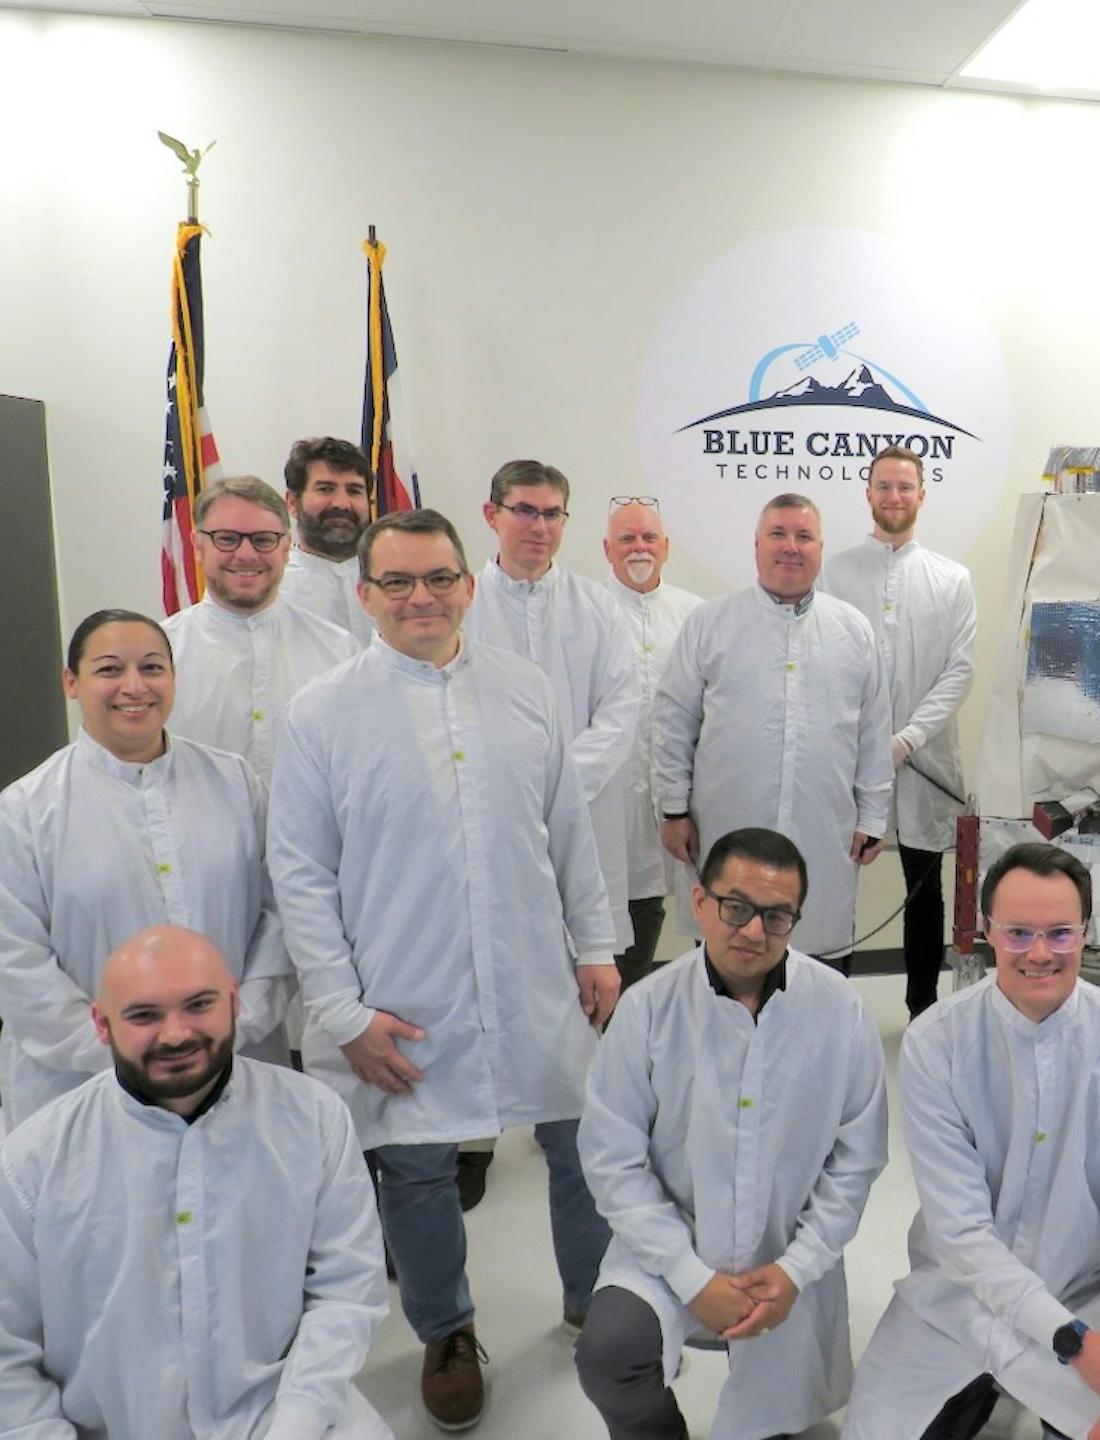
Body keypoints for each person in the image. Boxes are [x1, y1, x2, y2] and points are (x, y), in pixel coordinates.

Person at [267, 509, 619, 1432]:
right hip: (401, 985)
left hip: (535, 967)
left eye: (437, 578)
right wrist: (342, 1013)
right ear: (366, 596)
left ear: (469, 584)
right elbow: (299, 874)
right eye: (397, 582)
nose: (420, 597)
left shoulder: (526, 688)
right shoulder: (323, 712)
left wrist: (595, 946)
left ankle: (597, 1298)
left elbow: (569, 831)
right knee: (416, 1165)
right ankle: (446, 1331)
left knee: (581, 1141)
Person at [0, 926, 390, 1440]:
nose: (176, 1034)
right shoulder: (31, 1162)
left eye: (198, 1005)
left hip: (287, 1417)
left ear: (234, 1001)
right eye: (144, 1015)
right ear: (101, 1023)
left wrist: (295, 1424)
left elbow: (345, 1293)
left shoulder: (314, 1118)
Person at [845, 842, 1100, 1440]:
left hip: (1091, 1296)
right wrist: (1074, 1345)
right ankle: (984, 1390)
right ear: (987, 931)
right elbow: (961, 1236)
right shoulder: (937, 1045)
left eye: (1060, 934)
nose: (1039, 954)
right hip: (960, 1300)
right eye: (1018, 933)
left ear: (1086, 932)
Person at [575, 827, 889, 1440]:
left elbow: (856, 1160)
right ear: (700, 904)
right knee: (609, 1357)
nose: (753, 931)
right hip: (669, 1243)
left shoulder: (839, 1010)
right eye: (736, 907)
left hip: (785, 1247)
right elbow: (613, 1162)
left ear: (796, 920)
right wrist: (690, 1277)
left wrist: (799, 1266)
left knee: (772, 1418)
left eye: (776, 917)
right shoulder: (646, 1011)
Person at [0, 608, 290, 1131]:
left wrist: (234, 1025)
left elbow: (278, 918)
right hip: (84, 1082)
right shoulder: (26, 811)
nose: (133, 686)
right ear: (71, 682)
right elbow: (11, 961)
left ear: (174, 677)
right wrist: (130, 1052)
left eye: (152, 667)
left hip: (237, 1063)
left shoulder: (236, 785)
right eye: (110, 669)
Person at [654, 493, 893, 965]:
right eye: (778, 534)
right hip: (726, 824)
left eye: (804, 537)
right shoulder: (711, 623)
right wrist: (673, 809)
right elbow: (673, 721)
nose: (791, 547)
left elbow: (873, 731)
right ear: (756, 544)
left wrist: (872, 817)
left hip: (824, 832)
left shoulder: (853, 630)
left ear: (820, 549)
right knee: (727, 958)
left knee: (816, 966)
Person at [822, 445, 976, 1018]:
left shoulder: (952, 579)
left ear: (921, 495)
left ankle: (923, 1011)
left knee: (923, 889)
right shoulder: (835, 573)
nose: (894, 497)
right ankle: (828, 1005)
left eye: (904, 487)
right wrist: (865, 744)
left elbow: (959, 670)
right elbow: (825, 663)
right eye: (883, 486)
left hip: (927, 762)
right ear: (868, 494)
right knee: (836, 885)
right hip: (847, 761)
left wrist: (909, 738)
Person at [466, 459, 638, 968]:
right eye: (523, 511)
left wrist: (559, 788)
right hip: (490, 813)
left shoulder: (598, 607)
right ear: (490, 515)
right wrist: (516, 791)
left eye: (552, 514)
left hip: (584, 813)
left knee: (588, 964)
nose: (539, 527)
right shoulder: (462, 606)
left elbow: (620, 711)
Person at [163, 475, 360, 787]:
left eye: (263, 539)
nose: (245, 554)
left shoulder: (339, 651)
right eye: (226, 539)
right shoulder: (160, 656)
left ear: (285, 548)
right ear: (198, 546)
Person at [601, 496, 704, 986]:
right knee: (624, 915)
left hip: (688, 800)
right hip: (611, 800)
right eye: (627, 538)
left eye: (647, 538)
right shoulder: (588, 612)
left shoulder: (696, 616)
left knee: (705, 911)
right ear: (607, 549)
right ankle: (613, 1025)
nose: (638, 548)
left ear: (665, 547)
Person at [281, 436, 375, 637]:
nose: (342, 503)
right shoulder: (272, 586)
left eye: (354, 491)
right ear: (291, 502)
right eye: (325, 489)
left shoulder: (395, 578)